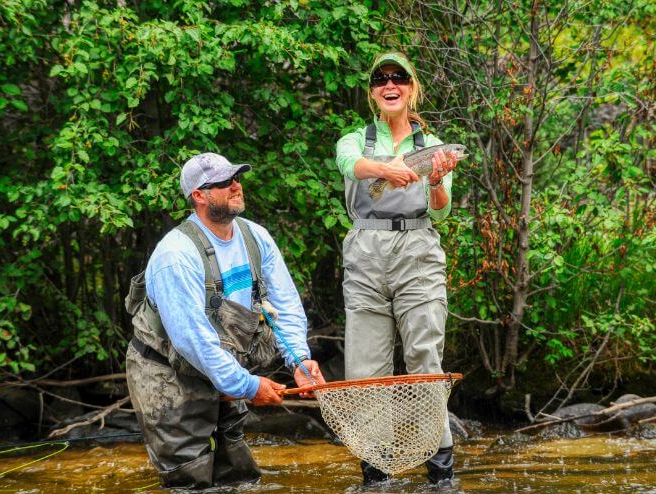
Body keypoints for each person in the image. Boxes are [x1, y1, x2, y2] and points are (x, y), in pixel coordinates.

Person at [125, 152, 325, 489]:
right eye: (223, 182)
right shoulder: (176, 256)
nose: (236, 186)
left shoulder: (255, 238)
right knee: (189, 478)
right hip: (168, 374)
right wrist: (247, 386)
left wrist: (299, 360)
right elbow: (193, 340)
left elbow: (285, 304)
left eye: (236, 178)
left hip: (223, 368)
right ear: (199, 196)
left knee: (239, 474)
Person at [335, 52, 459, 486]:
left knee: (425, 358)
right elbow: (351, 167)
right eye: (381, 79)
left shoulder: (434, 145)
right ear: (372, 92)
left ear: (412, 87)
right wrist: (389, 168)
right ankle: (376, 470)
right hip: (365, 252)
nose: (390, 84)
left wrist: (438, 179)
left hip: (418, 250)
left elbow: (441, 212)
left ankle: (440, 470)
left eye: (399, 78)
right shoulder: (355, 139)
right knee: (366, 369)